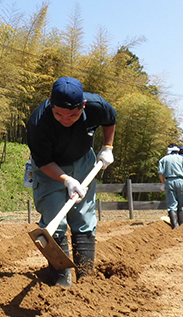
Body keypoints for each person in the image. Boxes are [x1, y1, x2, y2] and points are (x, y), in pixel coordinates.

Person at [26, 76, 116, 287]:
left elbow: (110, 119)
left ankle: (86, 278)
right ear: (51, 104)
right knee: (53, 217)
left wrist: (108, 147)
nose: (66, 119)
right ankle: (61, 279)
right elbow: (45, 162)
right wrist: (66, 180)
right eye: (59, 114)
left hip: (83, 161)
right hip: (50, 168)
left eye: (73, 115)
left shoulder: (96, 106)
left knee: (83, 217)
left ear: (83, 106)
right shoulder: (38, 122)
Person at [158, 144, 183, 229]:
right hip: (181, 181)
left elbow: (160, 173)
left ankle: (175, 226)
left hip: (169, 181)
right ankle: (181, 226)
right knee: (181, 204)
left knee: (172, 204)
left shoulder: (163, 159)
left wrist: (163, 183)